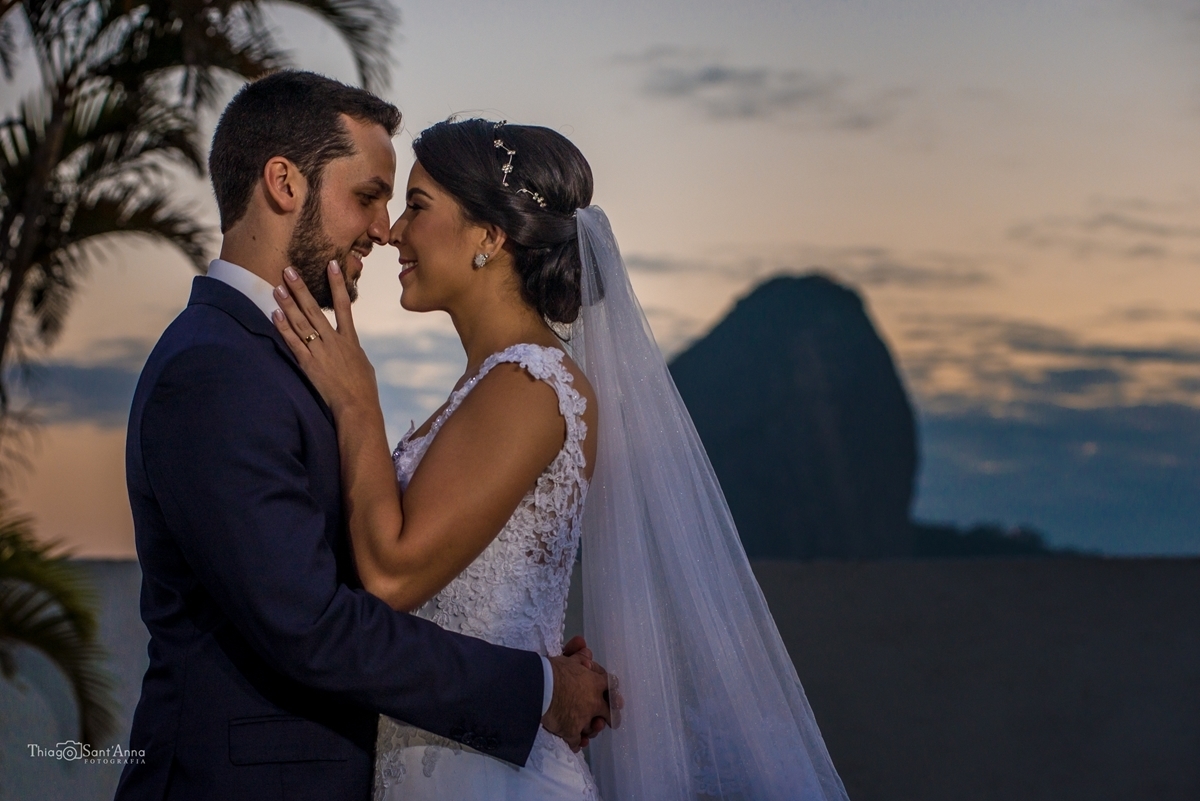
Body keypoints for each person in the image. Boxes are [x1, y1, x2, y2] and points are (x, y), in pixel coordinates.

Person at [273, 118, 850, 800]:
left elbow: (394, 574)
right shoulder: (488, 385)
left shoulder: (530, 385)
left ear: (490, 236)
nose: (395, 231)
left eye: (419, 207)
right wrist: (540, 669)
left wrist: (357, 404)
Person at [117, 73, 609, 801]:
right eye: (371, 196)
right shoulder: (214, 369)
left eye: (404, 203)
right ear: (284, 183)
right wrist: (535, 683)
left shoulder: (285, 360)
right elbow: (312, 620)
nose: (386, 229)